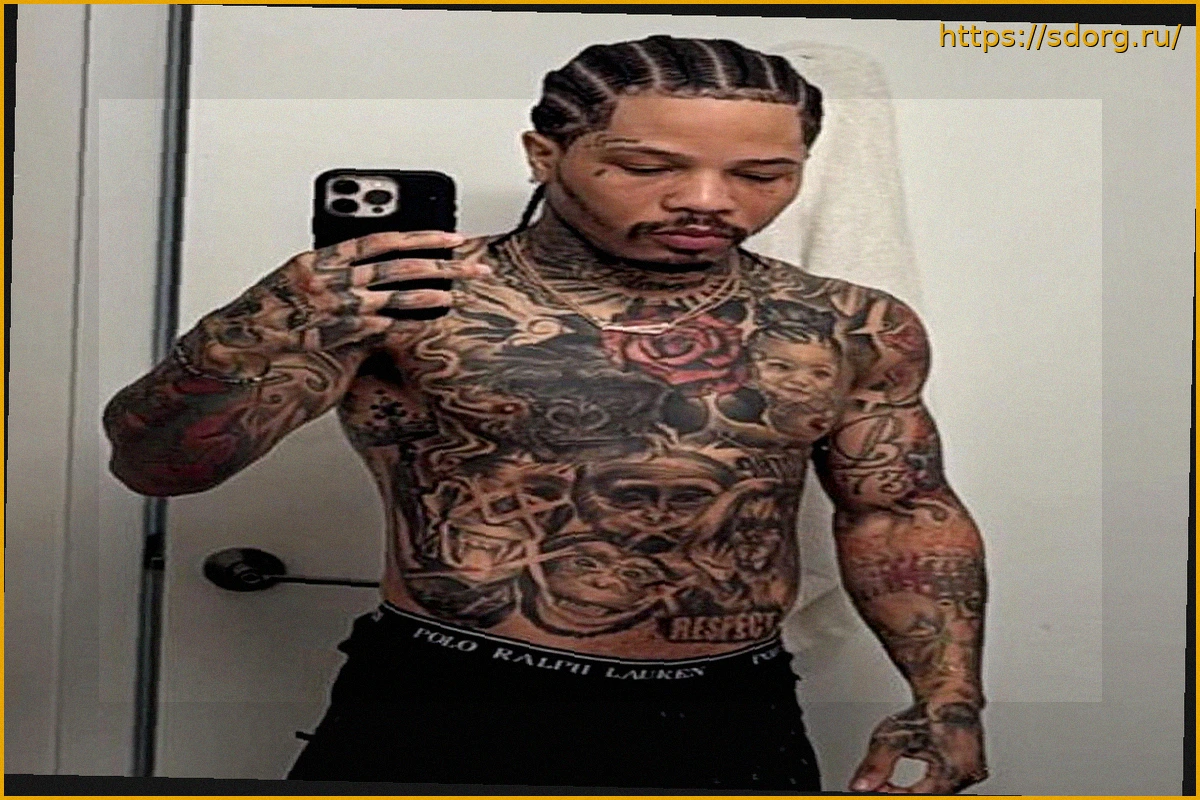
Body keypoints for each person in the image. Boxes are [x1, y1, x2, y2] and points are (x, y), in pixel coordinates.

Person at [103, 34, 989, 793]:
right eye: (648, 167)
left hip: (731, 708)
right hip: (446, 700)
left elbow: (899, 509)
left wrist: (947, 698)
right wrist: (248, 332)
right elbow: (159, 467)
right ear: (543, 155)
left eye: (762, 174)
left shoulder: (846, 325)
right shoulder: (402, 300)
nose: (709, 200)